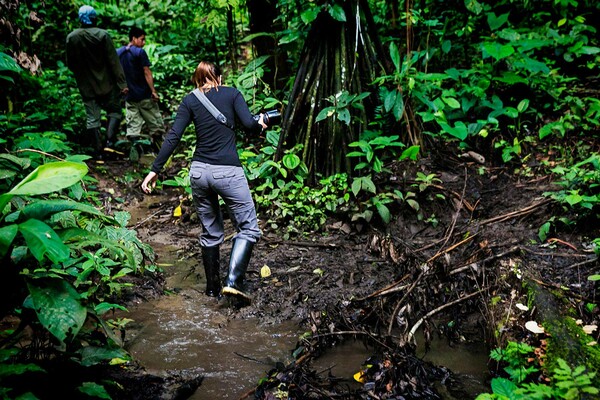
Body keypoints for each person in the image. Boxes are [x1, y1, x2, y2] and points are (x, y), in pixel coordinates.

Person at [141, 61, 267, 301]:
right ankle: (232, 282)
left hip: (199, 173)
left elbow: (174, 136)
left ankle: (211, 290)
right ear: (218, 77)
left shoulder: (190, 100)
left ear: (197, 79)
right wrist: (261, 123)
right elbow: (250, 125)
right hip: (227, 172)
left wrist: (155, 170)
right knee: (248, 228)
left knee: (210, 232)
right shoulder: (232, 93)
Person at [66, 5, 128, 154]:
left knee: (92, 118)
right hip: (108, 84)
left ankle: (98, 151)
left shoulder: (72, 37)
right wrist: (122, 83)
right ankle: (109, 142)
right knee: (115, 112)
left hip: (86, 86)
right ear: (94, 18)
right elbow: (114, 61)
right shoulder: (103, 35)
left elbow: (71, 64)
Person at [117, 27, 164, 147]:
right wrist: (153, 91)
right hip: (144, 95)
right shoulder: (139, 53)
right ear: (134, 38)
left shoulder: (119, 53)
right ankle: (161, 150)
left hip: (129, 96)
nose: (144, 43)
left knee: (133, 126)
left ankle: (136, 151)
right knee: (155, 124)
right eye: (142, 39)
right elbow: (147, 72)